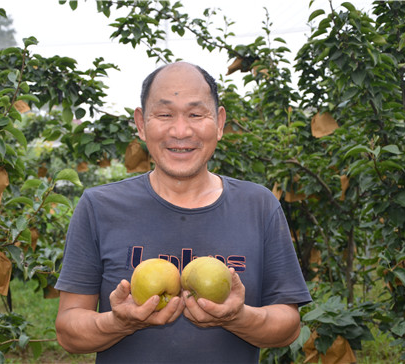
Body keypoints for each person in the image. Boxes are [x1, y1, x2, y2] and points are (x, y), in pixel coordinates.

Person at [54, 61, 312, 363]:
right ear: (140, 123)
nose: (180, 131)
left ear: (219, 123)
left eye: (195, 114)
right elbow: (68, 330)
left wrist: (238, 317)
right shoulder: (99, 207)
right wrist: (118, 322)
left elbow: (288, 326)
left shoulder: (259, 205)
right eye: (164, 114)